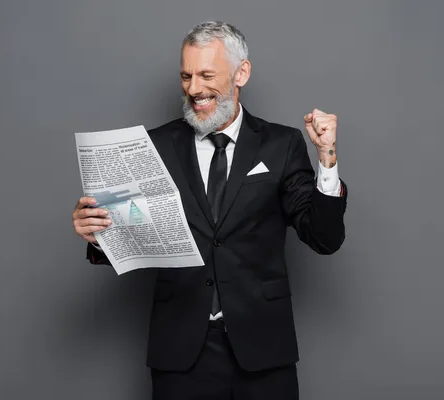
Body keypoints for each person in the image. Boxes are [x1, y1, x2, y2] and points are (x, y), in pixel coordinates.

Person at [71, 20, 347, 400]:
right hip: (181, 351)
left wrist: (327, 159)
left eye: (205, 75)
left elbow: (324, 238)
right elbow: (132, 234)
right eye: (186, 76)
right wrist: (98, 232)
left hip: (263, 348)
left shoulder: (281, 144)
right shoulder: (154, 145)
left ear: (241, 73)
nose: (194, 89)